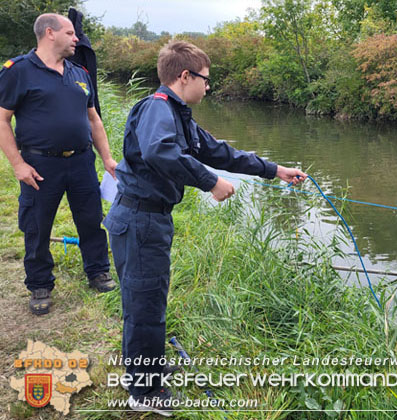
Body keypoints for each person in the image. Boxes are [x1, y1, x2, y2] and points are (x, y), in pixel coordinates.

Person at [103, 40, 307, 416]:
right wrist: (211, 183)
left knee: (150, 299)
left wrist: (275, 170)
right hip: (139, 220)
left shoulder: (179, 115)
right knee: (144, 304)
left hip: (151, 219)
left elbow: (220, 152)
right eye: (205, 79)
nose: (208, 86)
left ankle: (146, 365)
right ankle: (143, 391)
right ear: (185, 76)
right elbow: (160, 151)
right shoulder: (156, 109)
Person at [0, 13, 117, 316]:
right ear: (49, 33)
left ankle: (98, 271)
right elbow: (2, 120)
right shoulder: (19, 71)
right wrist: (18, 165)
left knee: (91, 219)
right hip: (40, 165)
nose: (77, 38)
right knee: (37, 226)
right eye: (70, 33)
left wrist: (107, 159)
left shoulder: (79, 72)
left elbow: (94, 120)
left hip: (81, 161)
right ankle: (39, 284)